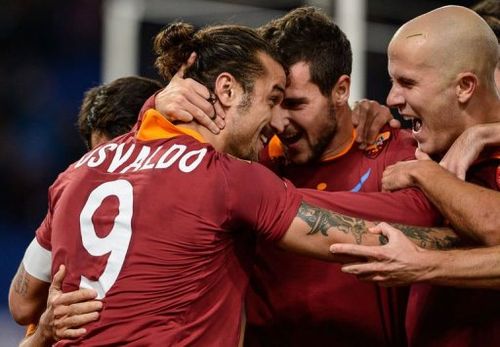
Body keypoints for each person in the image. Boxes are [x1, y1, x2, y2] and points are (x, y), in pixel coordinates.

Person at [9, 22, 457, 346]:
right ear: (226, 90)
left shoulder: (76, 173)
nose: (277, 121)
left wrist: (48, 328)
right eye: (273, 99)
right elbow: (353, 234)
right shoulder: (226, 178)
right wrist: (459, 237)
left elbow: (22, 302)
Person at [150, 7, 449, 347]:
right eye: (272, 100)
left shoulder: (394, 151)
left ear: (340, 90)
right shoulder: (247, 156)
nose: (278, 121)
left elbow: (430, 219)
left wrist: (265, 200)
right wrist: (154, 105)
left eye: (293, 103)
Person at [329, 5, 500, 347]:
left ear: (465, 86)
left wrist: (423, 264)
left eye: (407, 82)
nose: (391, 98)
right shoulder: (420, 147)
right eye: (394, 81)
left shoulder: (426, 165)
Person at [12, 76, 163, 347]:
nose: (110, 169)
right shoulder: (73, 194)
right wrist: (43, 333)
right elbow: (21, 306)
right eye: (99, 156)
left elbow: (21, 304)